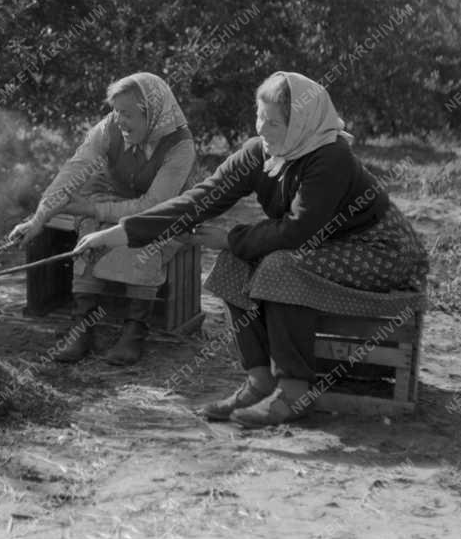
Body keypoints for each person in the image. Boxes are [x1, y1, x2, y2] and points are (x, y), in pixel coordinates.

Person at [75, 71, 428, 426]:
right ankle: (259, 381)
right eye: (259, 116)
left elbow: (298, 231)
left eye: (274, 122)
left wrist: (230, 237)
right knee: (235, 262)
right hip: (323, 247)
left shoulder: (329, 156)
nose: (261, 129)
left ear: (300, 123)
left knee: (279, 266)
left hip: (380, 250)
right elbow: (198, 200)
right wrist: (117, 234)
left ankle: (294, 391)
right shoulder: (262, 152)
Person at [10, 73, 196, 365]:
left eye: (128, 114)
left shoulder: (180, 147)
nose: (119, 119)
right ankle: (82, 328)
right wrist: (39, 218)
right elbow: (73, 172)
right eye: (116, 111)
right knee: (90, 230)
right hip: (114, 199)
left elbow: (152, 206)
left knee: (140, 235)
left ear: (153, 113)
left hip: (165, 213)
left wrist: (94, 209)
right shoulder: (109, 128)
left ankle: (134, 331)